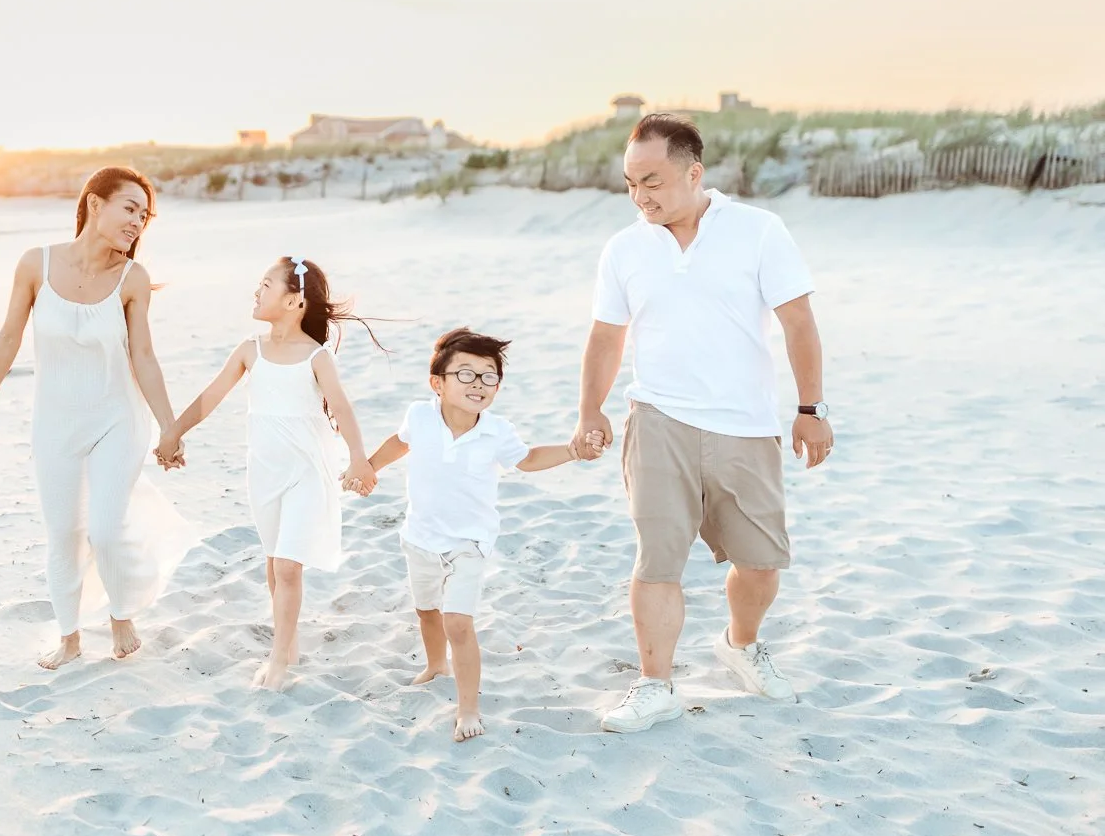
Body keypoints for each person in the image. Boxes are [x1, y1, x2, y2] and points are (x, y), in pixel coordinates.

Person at [573, 114, 834, 733]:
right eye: (631, 183)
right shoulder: (625, 247)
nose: (641, 196)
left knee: (762, 564)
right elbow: (607, 338)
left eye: (653, 180)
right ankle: (654, 683)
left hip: (743, 425)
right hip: (657, 417)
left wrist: (810, 410)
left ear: (694, 173)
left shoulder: (759, 231)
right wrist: (591, 409)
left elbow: (799, 323)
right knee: (657, 559)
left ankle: (741, 645)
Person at [0, 166, 185, 671]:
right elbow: (7, 339)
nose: (137, 222)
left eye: (144, 215)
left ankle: (121, 613)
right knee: (64, 531)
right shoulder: (35, 265)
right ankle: (68, 637)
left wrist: (169, 426)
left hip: (117, 418)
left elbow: (144, 357)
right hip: (56, 424)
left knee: (105, 529)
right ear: (94, 203)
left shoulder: (133, 279)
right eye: (130, 208)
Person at [355, 328, 605, 742]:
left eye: (489, 377)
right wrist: (368, 468)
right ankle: (436, 665)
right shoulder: (419, 416)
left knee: (458, 622)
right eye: (466, 374)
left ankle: (467, 706)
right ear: (438, 382)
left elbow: (527, 460)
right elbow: (398, 444)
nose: (478, 385)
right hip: (420, 537)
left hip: (469, 543)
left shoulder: (497, 431)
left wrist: (572, 450)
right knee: (427, 612)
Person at [155, 256, 377, 690]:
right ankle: (287, 639)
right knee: (275, 565)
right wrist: (174, 432)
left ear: (294, 302)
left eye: (266, 284)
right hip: (265, 472)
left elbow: (344, 408)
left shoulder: (316, 357)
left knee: (290, 567)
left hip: (308, 472)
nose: (256, 292)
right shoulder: (249, 351)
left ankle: (278, 659)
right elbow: (210, 397)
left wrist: (358, 458)